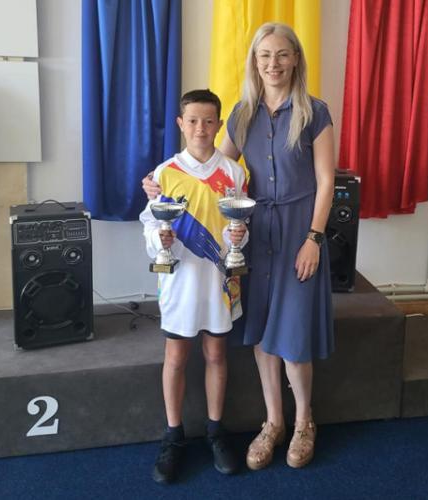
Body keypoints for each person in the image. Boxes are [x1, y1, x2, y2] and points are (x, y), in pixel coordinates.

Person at [142, 22, 335, 470]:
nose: (273, 63)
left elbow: (326, 182)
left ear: (295, 59)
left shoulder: (315, 112)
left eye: (282, 54)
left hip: (299, 231)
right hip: (255, 233)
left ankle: (304, 421)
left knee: (294, 336)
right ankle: (273, 423)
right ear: (254, 61)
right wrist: (160, 182)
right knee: (262, 334)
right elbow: (213, 167)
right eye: (265, 55)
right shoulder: (243, 113)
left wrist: (314, 238)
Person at [140, 89, 248, 484]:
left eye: (208, 121)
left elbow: (241, 222)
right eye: (193, 121)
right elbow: (151, 223)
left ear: (218, 125)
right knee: (176, 357)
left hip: (220, 279)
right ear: (180, 124)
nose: (200, 128)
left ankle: (215, 431)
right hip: (180, 281)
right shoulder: (164, 173)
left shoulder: (234, 172)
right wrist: (160, 241)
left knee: (217, 353)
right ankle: (173, 435)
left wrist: (240, 237)